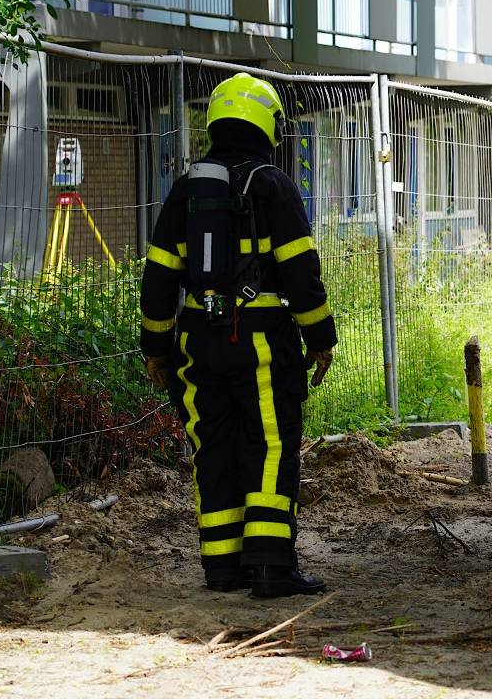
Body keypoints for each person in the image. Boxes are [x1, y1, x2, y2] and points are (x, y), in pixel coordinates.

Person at [139, 72, 336, 598]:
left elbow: (159, 275)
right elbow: (300, 271)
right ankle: (271, 565)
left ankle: (222, 567)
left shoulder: (186, 189)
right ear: (267, 126)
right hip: (262, 343)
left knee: (214, 447)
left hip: (195, 344)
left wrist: (156, 347)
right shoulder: (273, 185)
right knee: (270, 445)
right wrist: (320, 336)